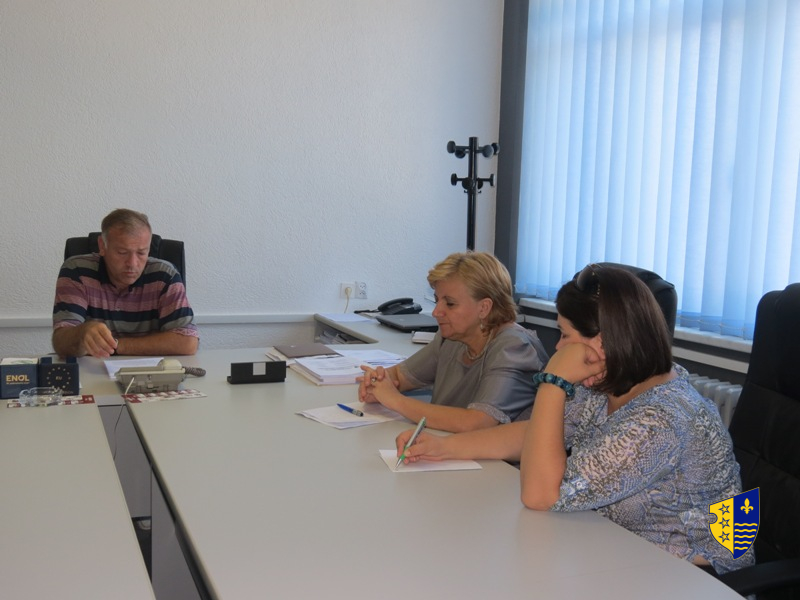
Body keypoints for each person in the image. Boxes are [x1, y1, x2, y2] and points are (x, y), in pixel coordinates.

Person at [395, 264, 752, 574]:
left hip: (688, 574)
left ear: (601, 345)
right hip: (617, 547)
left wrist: (553, 382)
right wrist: (443, 448)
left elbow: (540, 495)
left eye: (565, 335)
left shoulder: (660, 421)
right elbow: (532, 434)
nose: (558, 347)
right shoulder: (611, 384)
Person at [358, 251, 549, 433]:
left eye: (450, 303)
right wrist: (376, 381)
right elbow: (400, 376)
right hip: (447, 448)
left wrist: (395, 400)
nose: (436, 312)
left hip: (496, 457)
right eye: (437, 301)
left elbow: (479, 423)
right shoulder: (451, 338)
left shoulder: (515, 347)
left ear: (484, 308)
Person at [52, 208, 199, 358]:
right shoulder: (77, 270)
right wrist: (81, 333)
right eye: (122, 252)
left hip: (151, 370)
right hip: (92, 369)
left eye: (141, 253)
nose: (132, 263)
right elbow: (61, 343)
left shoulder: (165, 275)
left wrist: (115, 346)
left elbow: (187, 341)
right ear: (102, 246)